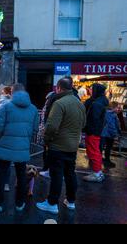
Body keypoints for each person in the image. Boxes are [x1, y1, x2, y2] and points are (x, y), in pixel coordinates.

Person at [36, 78, 86, 214]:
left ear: (58, 88)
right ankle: (70, 201)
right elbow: (83, 124)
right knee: (70, 173)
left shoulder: (59, 103)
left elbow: (51, 127)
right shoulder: (79, 103)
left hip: (58, 145)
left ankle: (52, 203)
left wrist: (47, 140)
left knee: (56, 175)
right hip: (72, 146)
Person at [0, 84, 39, 213]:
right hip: (23, 147)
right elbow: (35, 129)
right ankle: (19, 203)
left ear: (12, 92)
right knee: (21, 176)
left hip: (5, 145)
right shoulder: (33, 109)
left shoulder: (6, 106)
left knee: (1, 176)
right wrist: (27, 140)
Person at [83, 83, 108, 183]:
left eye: (92, 89)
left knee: (93, 152)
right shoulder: (100, 101)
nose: (90, 90)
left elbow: (94, 119)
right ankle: (97, 172)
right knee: (95, 151)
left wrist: (88, 129)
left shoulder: (97, 103)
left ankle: (97, 173)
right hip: (96, 131)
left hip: (93, 131)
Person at [100, 101, 122, 168]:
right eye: (117, 107)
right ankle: (107, 160)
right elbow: (112, 126)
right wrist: (115, 134)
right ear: (113, 107)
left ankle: (99, 159)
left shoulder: (105, 113)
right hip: (109, 134)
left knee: (101, 147)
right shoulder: (112, 115)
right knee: (108, 148)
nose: (118, 109)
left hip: (103, 133)